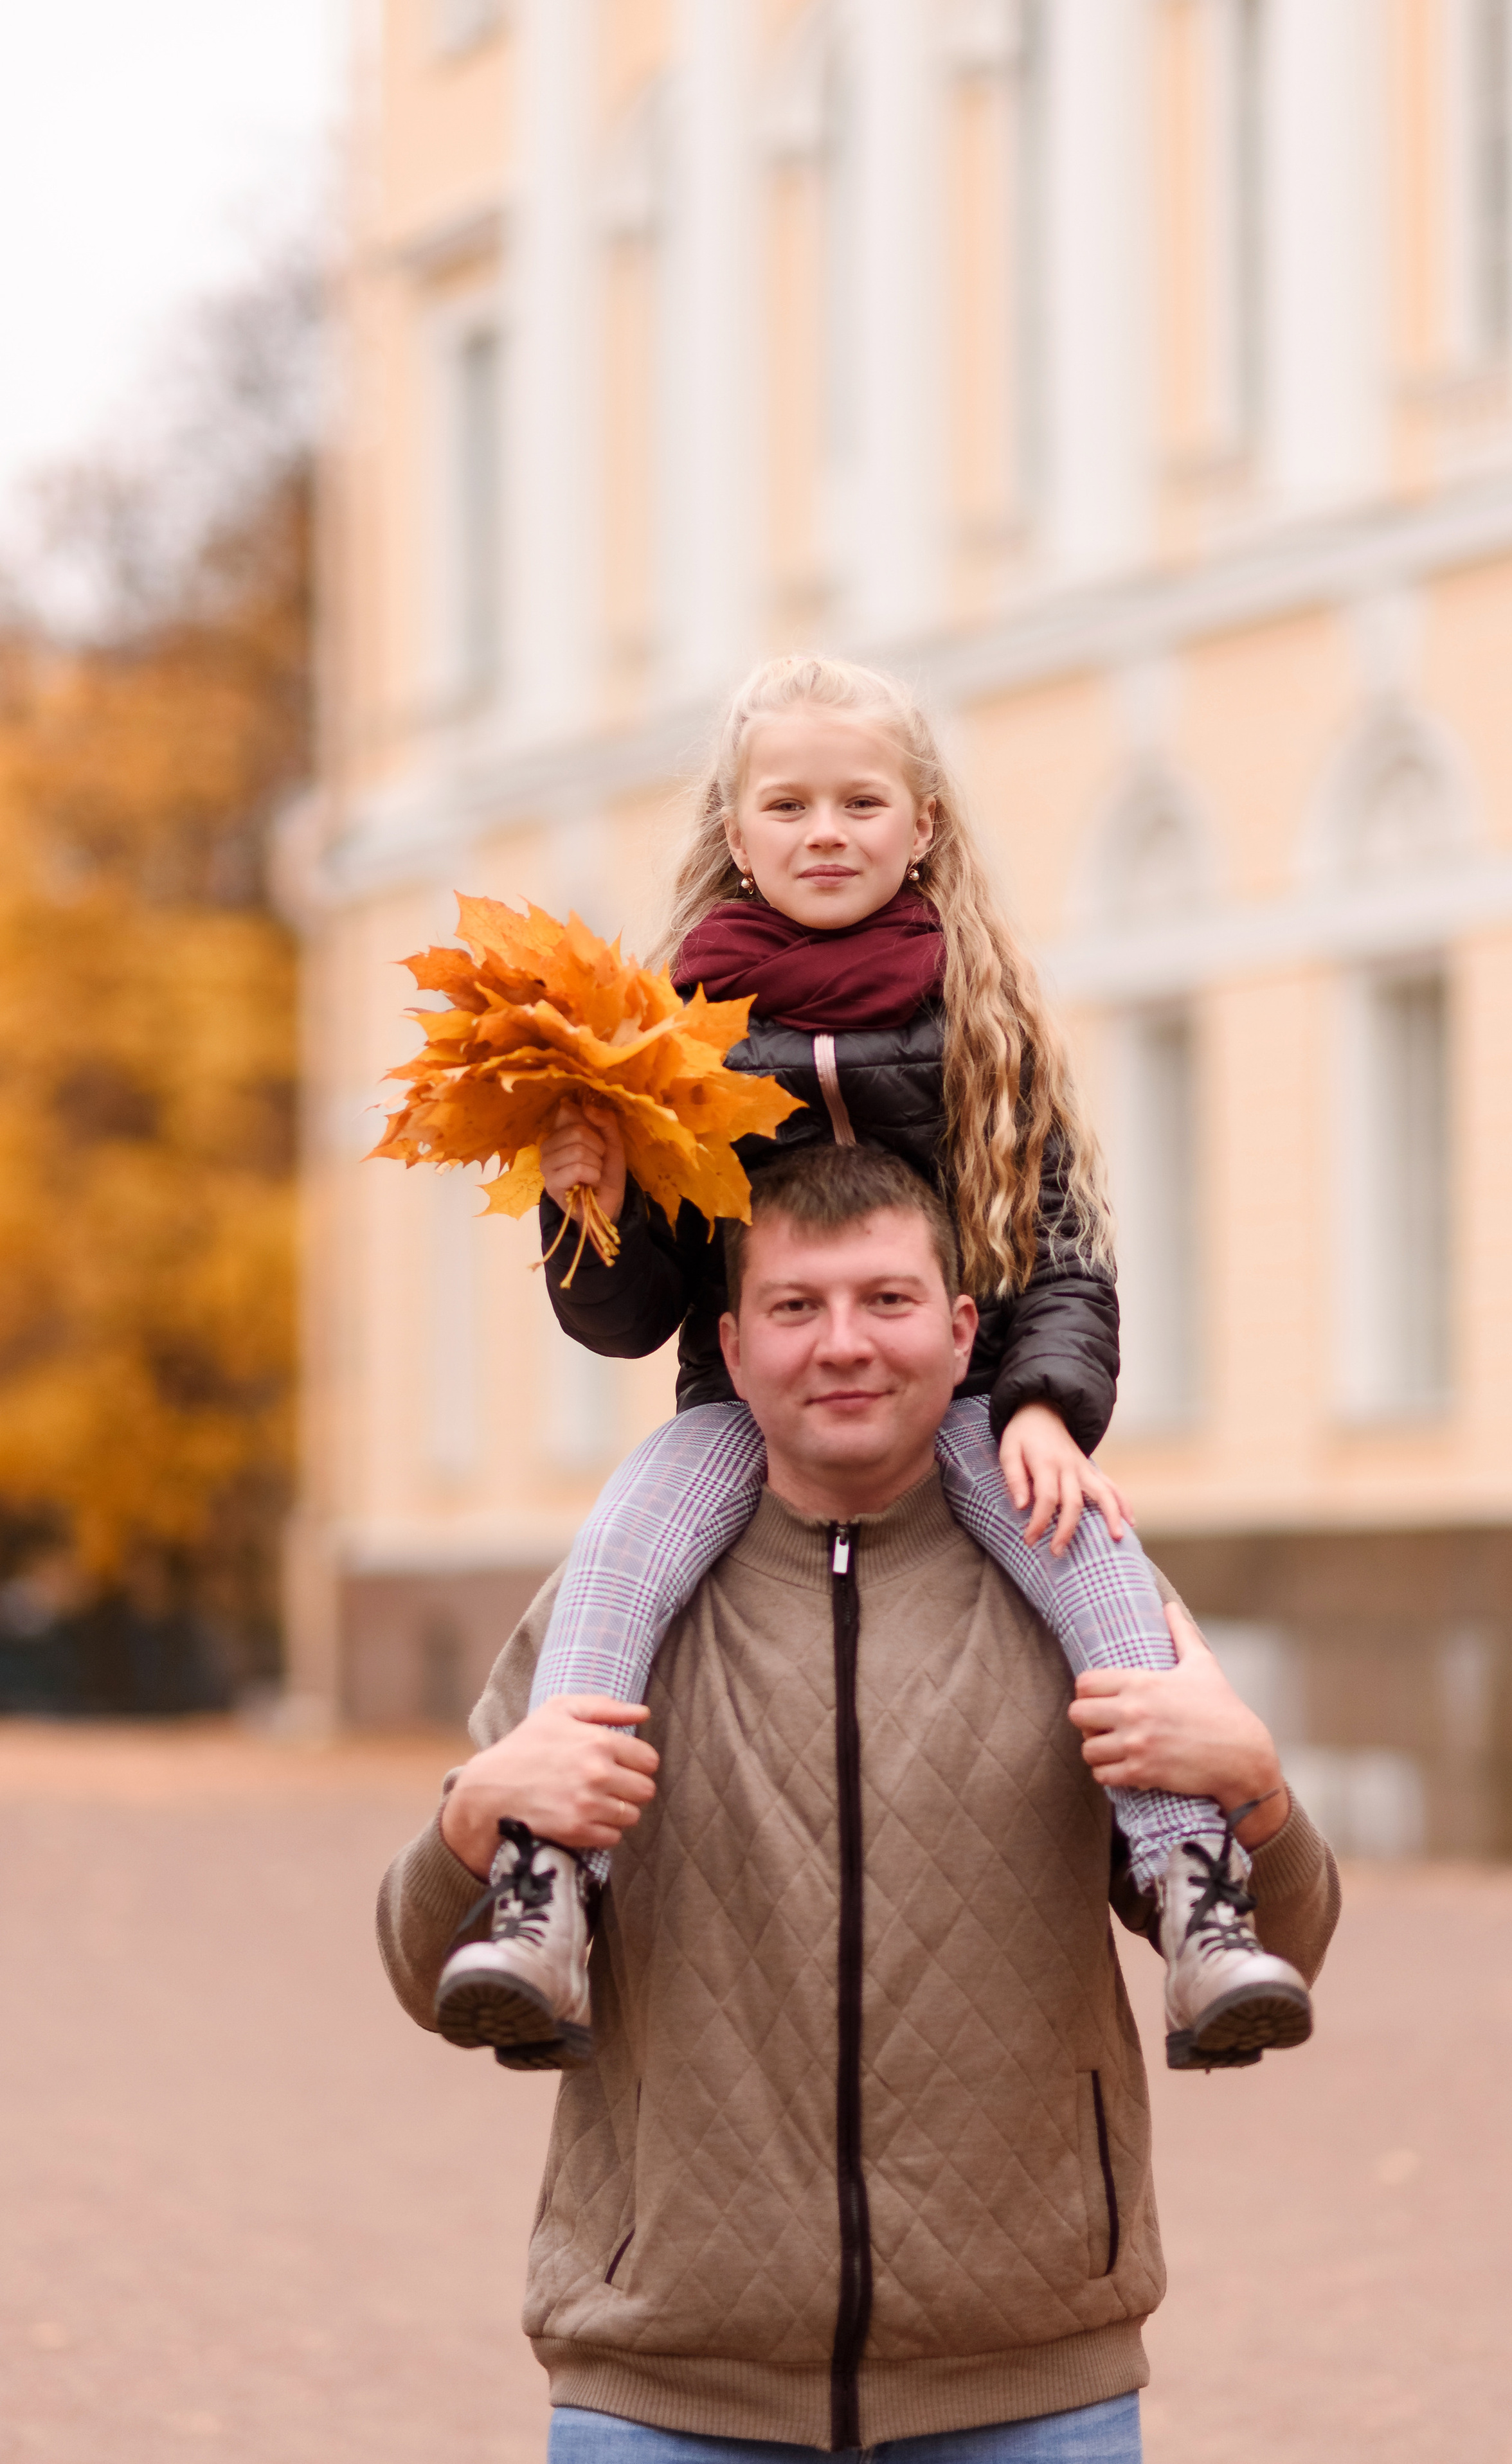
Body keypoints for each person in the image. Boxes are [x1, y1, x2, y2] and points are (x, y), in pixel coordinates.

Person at [378, 1149, 1340, 2464]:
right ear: (731, 1340)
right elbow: (420, 1955)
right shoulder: (615, 1611)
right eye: (795, 1307)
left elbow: (1284, 1945)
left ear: (959, 1335)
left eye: (886, 1302)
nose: (843, 1347)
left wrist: (1260, 1795)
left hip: (1028, 2392)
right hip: (662, 2394)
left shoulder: (1079, 1592)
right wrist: (469, 1816)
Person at [435, 656, 1313, 2078]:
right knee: (616, 1556)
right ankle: (545, 1890)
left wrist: (1042, 1402)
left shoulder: (977, 1009)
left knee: (1088, 1555)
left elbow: (1057, 1236)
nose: (823, 830)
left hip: (967, 1393)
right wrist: (580, 1195)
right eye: (785, 803)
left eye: (859, 801)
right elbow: (627, 1316)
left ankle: (1193, 1888)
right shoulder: (661, 1028)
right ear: (734, 829)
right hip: (740, 1403)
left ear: (923, 829)